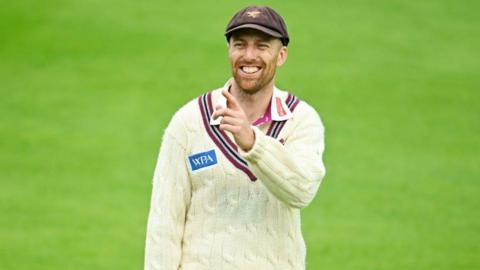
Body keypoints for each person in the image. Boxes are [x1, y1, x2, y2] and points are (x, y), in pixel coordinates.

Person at [144, 5, 326, 270]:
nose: (249, 56)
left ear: (281, 55)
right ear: (230, 50)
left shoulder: (301, 120)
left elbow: (301, 191)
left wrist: (252, 142)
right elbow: (164, 223)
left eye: (262, 46)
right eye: (240, 45)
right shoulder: (189, 121)